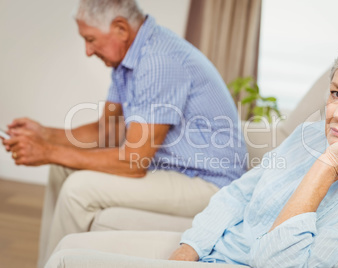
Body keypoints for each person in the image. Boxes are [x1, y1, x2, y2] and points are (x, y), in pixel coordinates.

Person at [44, 24, 338, 268]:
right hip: (210, 249)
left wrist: (327, 168)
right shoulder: (310, 135)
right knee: (67, 247)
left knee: (66, 263)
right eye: (337, 94)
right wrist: (191, 247)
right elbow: (240, 192)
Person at [0, 0, 248, 267]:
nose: (87, 50)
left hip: (210, 183)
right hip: (173, 168)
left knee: (77, 189)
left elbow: (134, 162)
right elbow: (106, 129)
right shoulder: (129, 59)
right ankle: (49, 261)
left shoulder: (159, 60)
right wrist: (44, 134)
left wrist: (47, 151)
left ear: (120, 28)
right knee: (60, 168)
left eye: (91, 39)